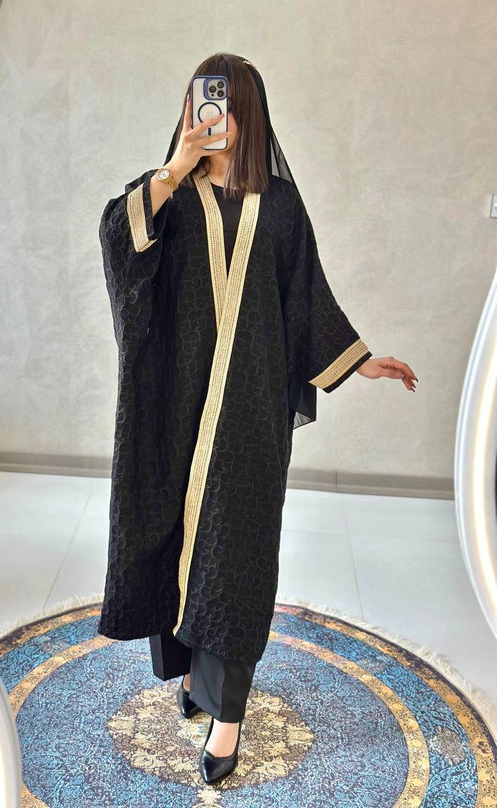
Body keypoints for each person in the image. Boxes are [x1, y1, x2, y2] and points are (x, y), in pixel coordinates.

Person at [97, 52, 417, 785]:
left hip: (248, 420)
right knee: (175, 537)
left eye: (226, 104)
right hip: (174, 411)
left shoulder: (282, 207)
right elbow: (119, 242)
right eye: (200, 102)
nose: (212, 117)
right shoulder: (168, 194)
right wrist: (175, 168)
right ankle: (190, 675)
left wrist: (359, 361)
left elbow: (307, 301)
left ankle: (227, 718)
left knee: (234, 560)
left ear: (249, 113)